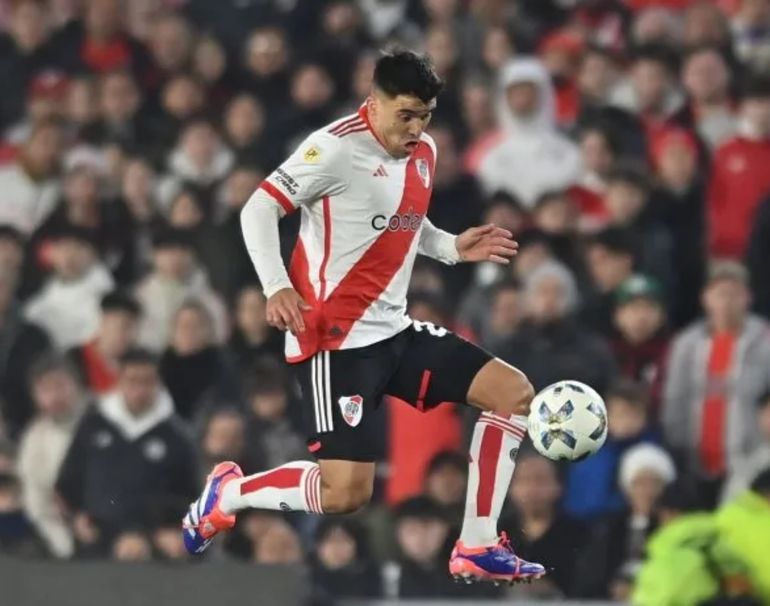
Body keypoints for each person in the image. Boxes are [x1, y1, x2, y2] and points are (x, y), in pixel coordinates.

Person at [183, 50, 545, 583]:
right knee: (346, 495)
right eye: (406, 114)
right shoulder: (332, 149)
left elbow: (401, 218)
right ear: (373, 103)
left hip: (395, 330)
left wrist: (450, 248)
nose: (418, 127)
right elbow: (257, 208)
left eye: (426, 115)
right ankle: (229, 492)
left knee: (512, 393)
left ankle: (477, 542)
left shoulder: (425, 151)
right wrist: (276, 285)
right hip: (336, 342)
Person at [56, 349, 199, 556]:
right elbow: (66, 485)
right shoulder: (93, 425)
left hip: (156, 545)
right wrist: (76, 518)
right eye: (132, 381)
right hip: (98, 540)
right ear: (119, 381)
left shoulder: (176, 436)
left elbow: (191, 496)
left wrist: (175, 531)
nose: (140, 389)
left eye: (147, 381)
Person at [662, 261, 770, 507]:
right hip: (695, 462)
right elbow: (674, 399)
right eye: (720, 294)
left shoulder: (764, 342)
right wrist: (677, 447)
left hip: (750, 460)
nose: (727, 302)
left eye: (734, 294)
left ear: (747, 297)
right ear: (706, 298)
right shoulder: (686, 345)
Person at [16, 355, 87, 558]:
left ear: (77, 385)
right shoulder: (34, 438)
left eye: (60, 386)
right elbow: (37, 503)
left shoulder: (103, 422)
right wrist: (64, 546)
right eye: (45, 390)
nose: (54, 396)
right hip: (58, 539)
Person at [67, 290, 141, 396]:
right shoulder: (75, 359)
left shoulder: (139, 362)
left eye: (135, 329)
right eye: (124, 326)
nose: (131, 336)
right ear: (103, 322)